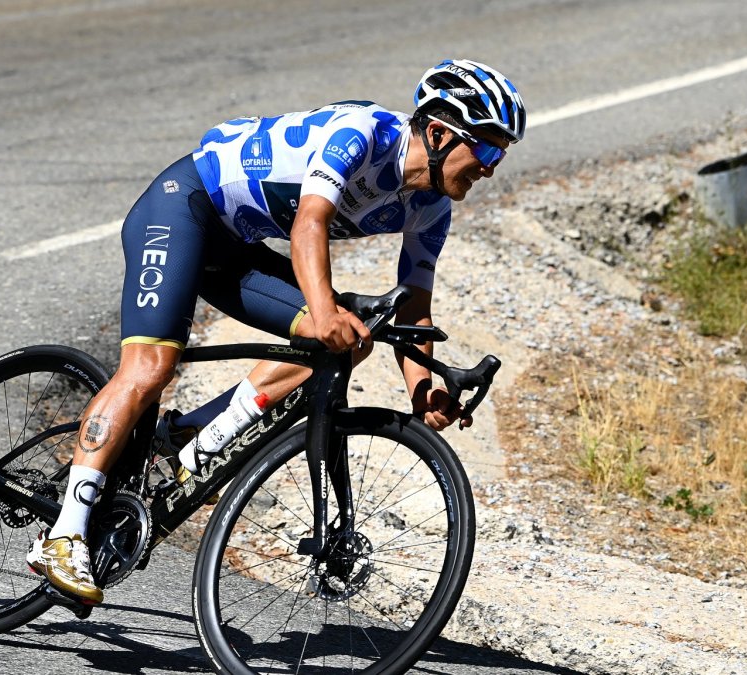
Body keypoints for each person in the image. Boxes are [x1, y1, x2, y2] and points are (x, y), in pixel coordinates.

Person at [26, 59, 527, 604]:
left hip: (234, 249)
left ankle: (193, 435)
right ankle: (65, 532)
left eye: (500, 153)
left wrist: (421, 387)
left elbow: (415, 307)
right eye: (488, 150)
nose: (491, 167)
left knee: (349, 338)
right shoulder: (361, 134)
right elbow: (308, 222)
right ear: (438, 132)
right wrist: (326, 309)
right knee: (151, 367)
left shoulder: (431, 208)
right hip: (183, 209)